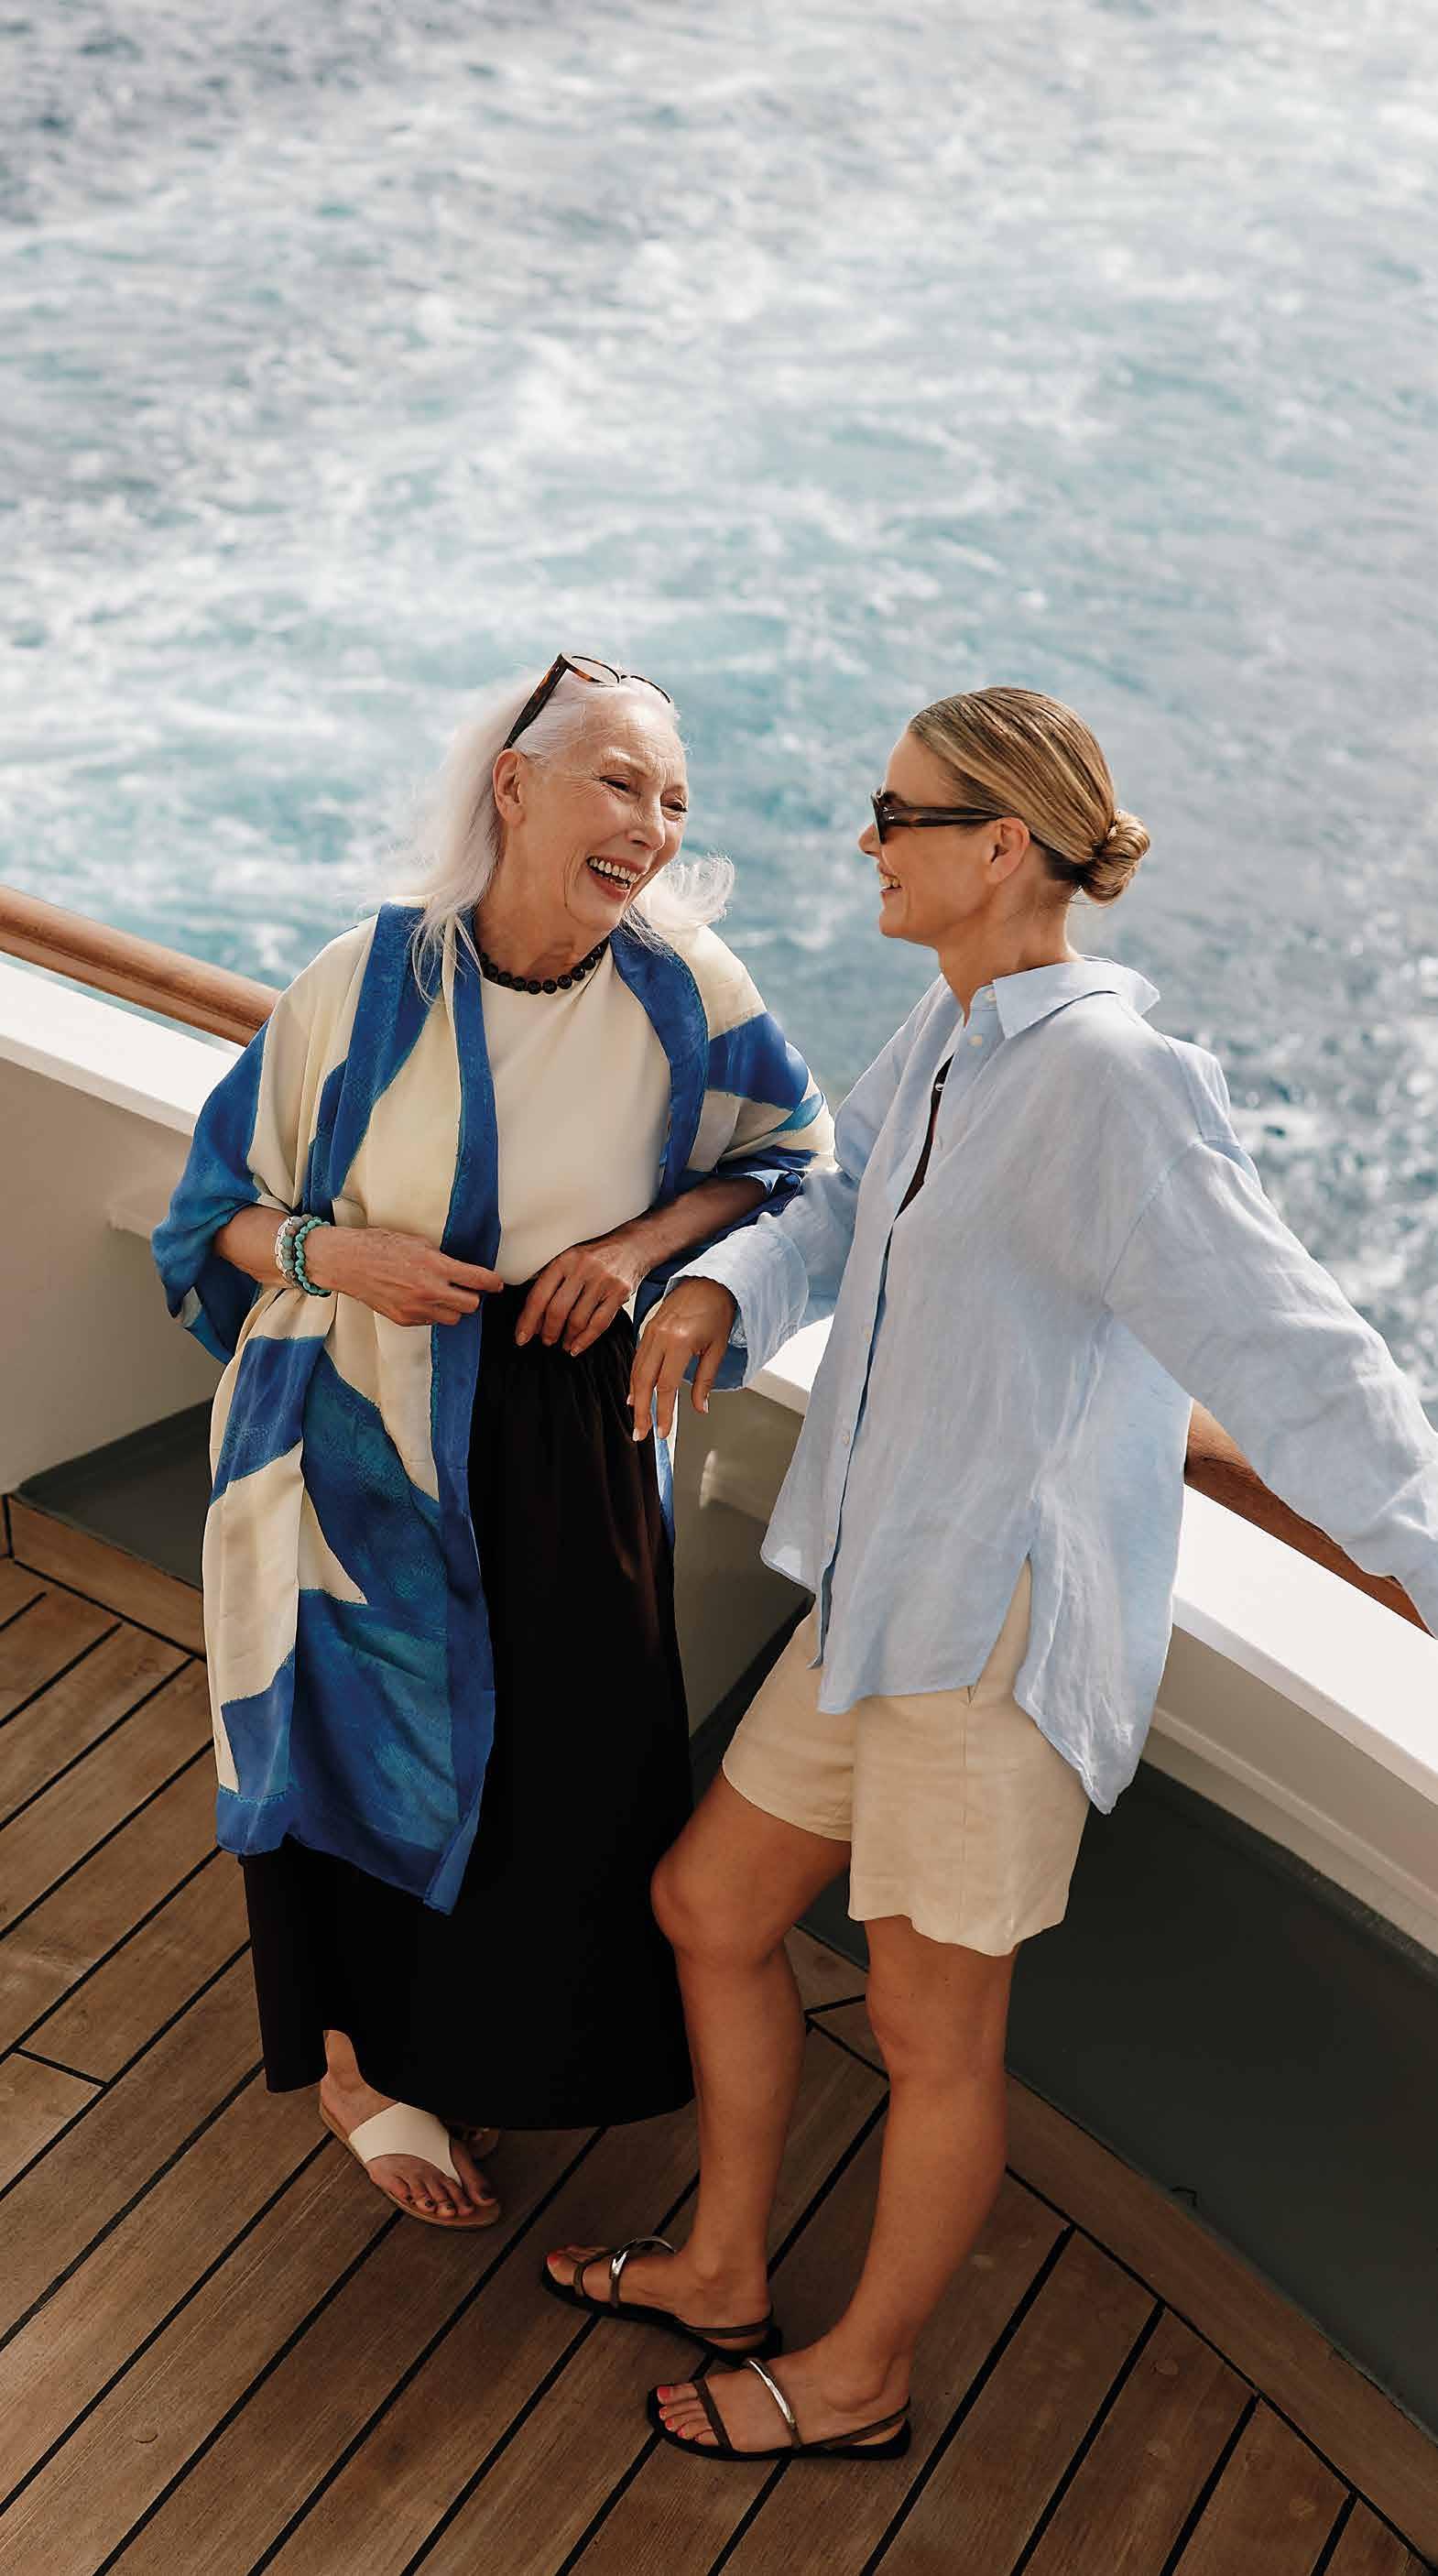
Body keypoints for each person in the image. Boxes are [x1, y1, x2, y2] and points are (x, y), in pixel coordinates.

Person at [545, 682, 1438, 2461]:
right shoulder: (952, 1029)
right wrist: (723, 1286)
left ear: (998, 844)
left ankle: (860, 2375)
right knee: (710, 1906)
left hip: (998, 1633)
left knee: (927, 2030)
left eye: (896, 815)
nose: (866, 842)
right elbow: (832, 1198)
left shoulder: (1114, 1083)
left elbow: (1298, 1358)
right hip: (878, 1587)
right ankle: (725, 2266)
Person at [152, 654, 832, 2230]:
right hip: (352, 1428)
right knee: (345, 1746)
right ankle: (353, 2069)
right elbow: (215, 1213)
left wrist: (637, 1250)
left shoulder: (686, 986)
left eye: (673, 800)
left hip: (569, 1424)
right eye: (619, 783)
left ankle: (488, 2055)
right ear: (514, 788)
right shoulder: (363, 979)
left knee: (565, 1766)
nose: (651, 826)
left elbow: (790, 1160)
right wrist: (336, 1255)